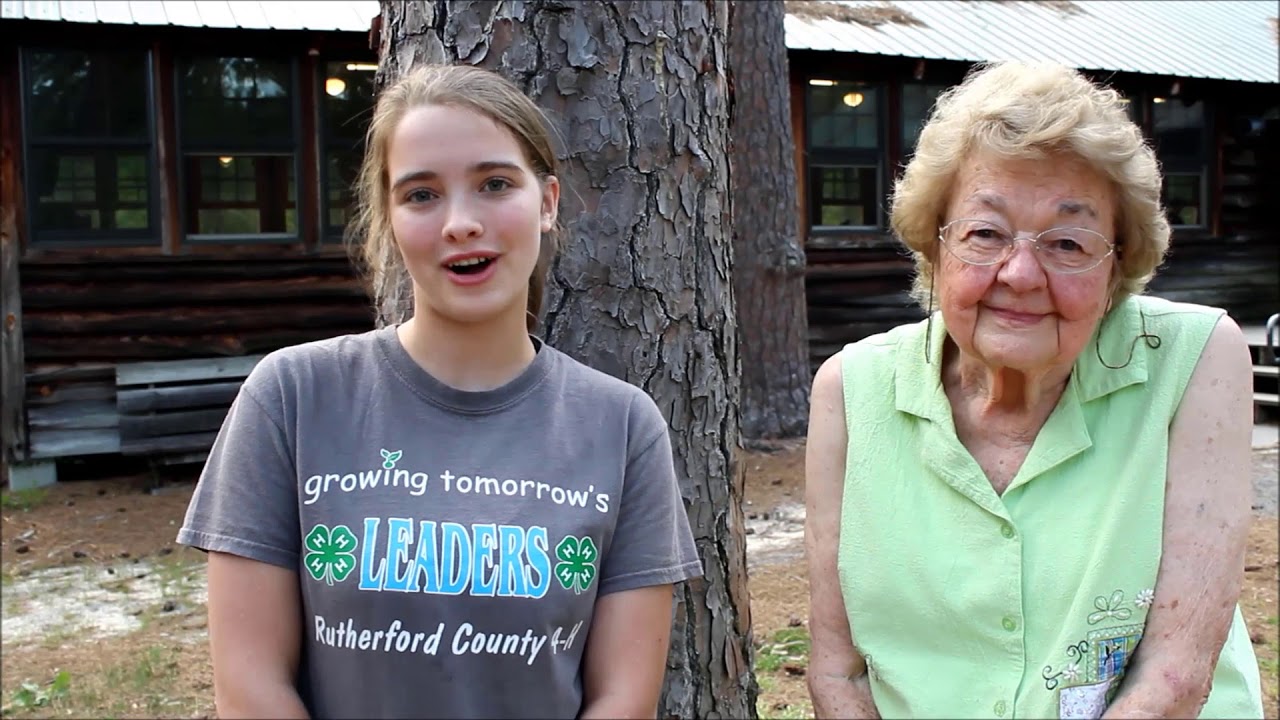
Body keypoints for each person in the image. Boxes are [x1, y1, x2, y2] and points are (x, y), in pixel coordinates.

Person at [177, 63, 702, 719]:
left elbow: (622, 699)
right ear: (390, 219)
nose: (460, 222)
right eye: (421, 194)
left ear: (547, 202)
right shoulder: (292, 398)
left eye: (494, 184)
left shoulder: (623, 427)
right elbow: (250, 687)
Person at [805, 60, 1264, 720]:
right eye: (985, 234)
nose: (1019, 273)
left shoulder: (1192, 361)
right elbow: (835, 674)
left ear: (1117, 267)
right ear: (934, 250)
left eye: (1069, 242)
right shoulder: (852, 392)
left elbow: (1176, 676)